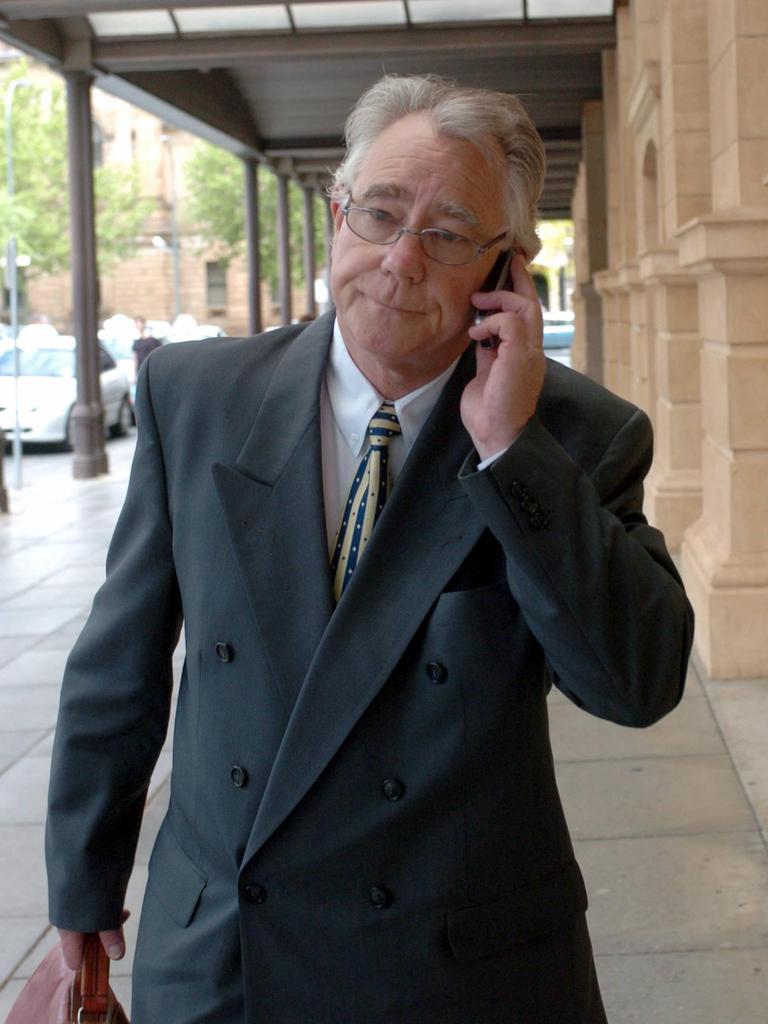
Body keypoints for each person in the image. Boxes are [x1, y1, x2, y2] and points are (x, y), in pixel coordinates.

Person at [46, 75, 694, 1024]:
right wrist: (82, 877)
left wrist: (513, 453)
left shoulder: (576, 436)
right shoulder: (196, 397)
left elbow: (636, 684)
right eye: (379, 213)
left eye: (446, 235)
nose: (398, 262)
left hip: (457, 972)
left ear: (507, 267)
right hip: (227, 955)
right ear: (337, 212)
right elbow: (120, 663)